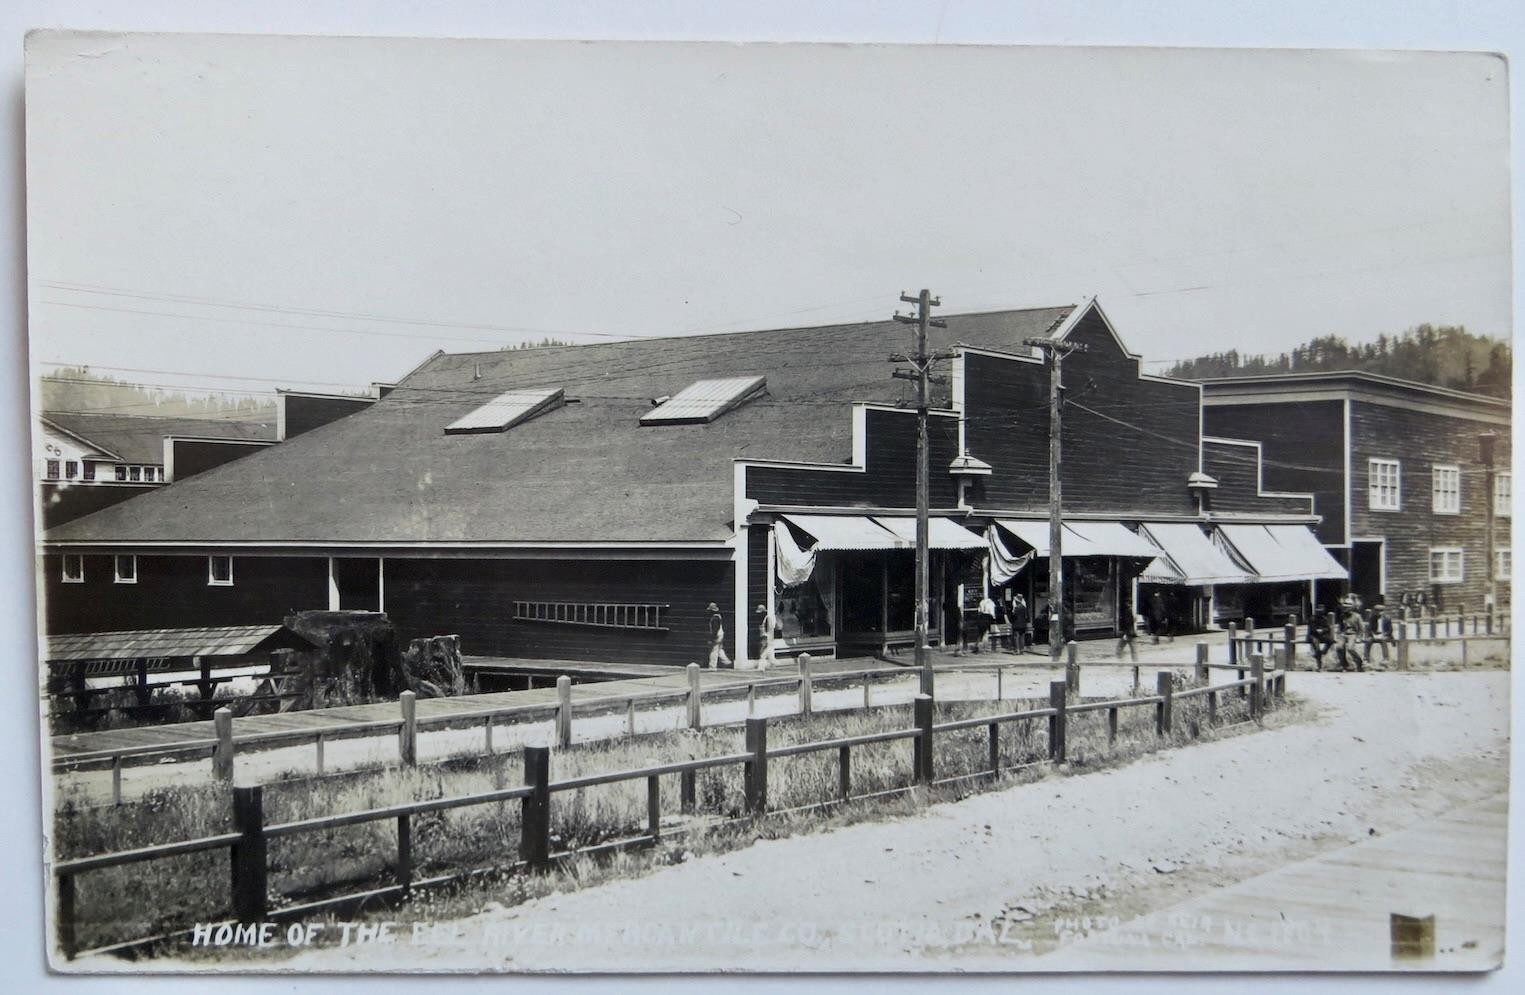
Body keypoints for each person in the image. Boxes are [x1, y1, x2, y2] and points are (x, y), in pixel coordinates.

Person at [1306, 605, 1334, 670]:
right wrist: (1317, 630)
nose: (1319, 612)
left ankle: (1324, 651)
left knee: (1331, 640)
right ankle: (1319, 665)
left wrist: (1323, 630)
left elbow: (1328, 628)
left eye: (1321, 610)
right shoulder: (1312, 618)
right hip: (1313, 635)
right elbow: (1312, 629)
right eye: (1318, 611)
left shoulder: (1325, 618)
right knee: (1317, 648)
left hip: (1321, 635)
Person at [705, 602, 731, 669]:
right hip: (720, 635)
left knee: (714, 650)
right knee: (719, 650)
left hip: (717, 636)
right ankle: (727, 662)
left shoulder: (714, 618)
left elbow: (715, 630)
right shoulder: (718, 616)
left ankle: (712, 666)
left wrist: (712, 639)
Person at [755, 603, 776, 670]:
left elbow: (769, 629)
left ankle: (761, 667)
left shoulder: (767, 619)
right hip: (766, 637)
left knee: (763, 653)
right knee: (769, 652)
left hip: (766, 637)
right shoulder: (764, 619)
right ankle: (772, 663)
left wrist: (765, 639)